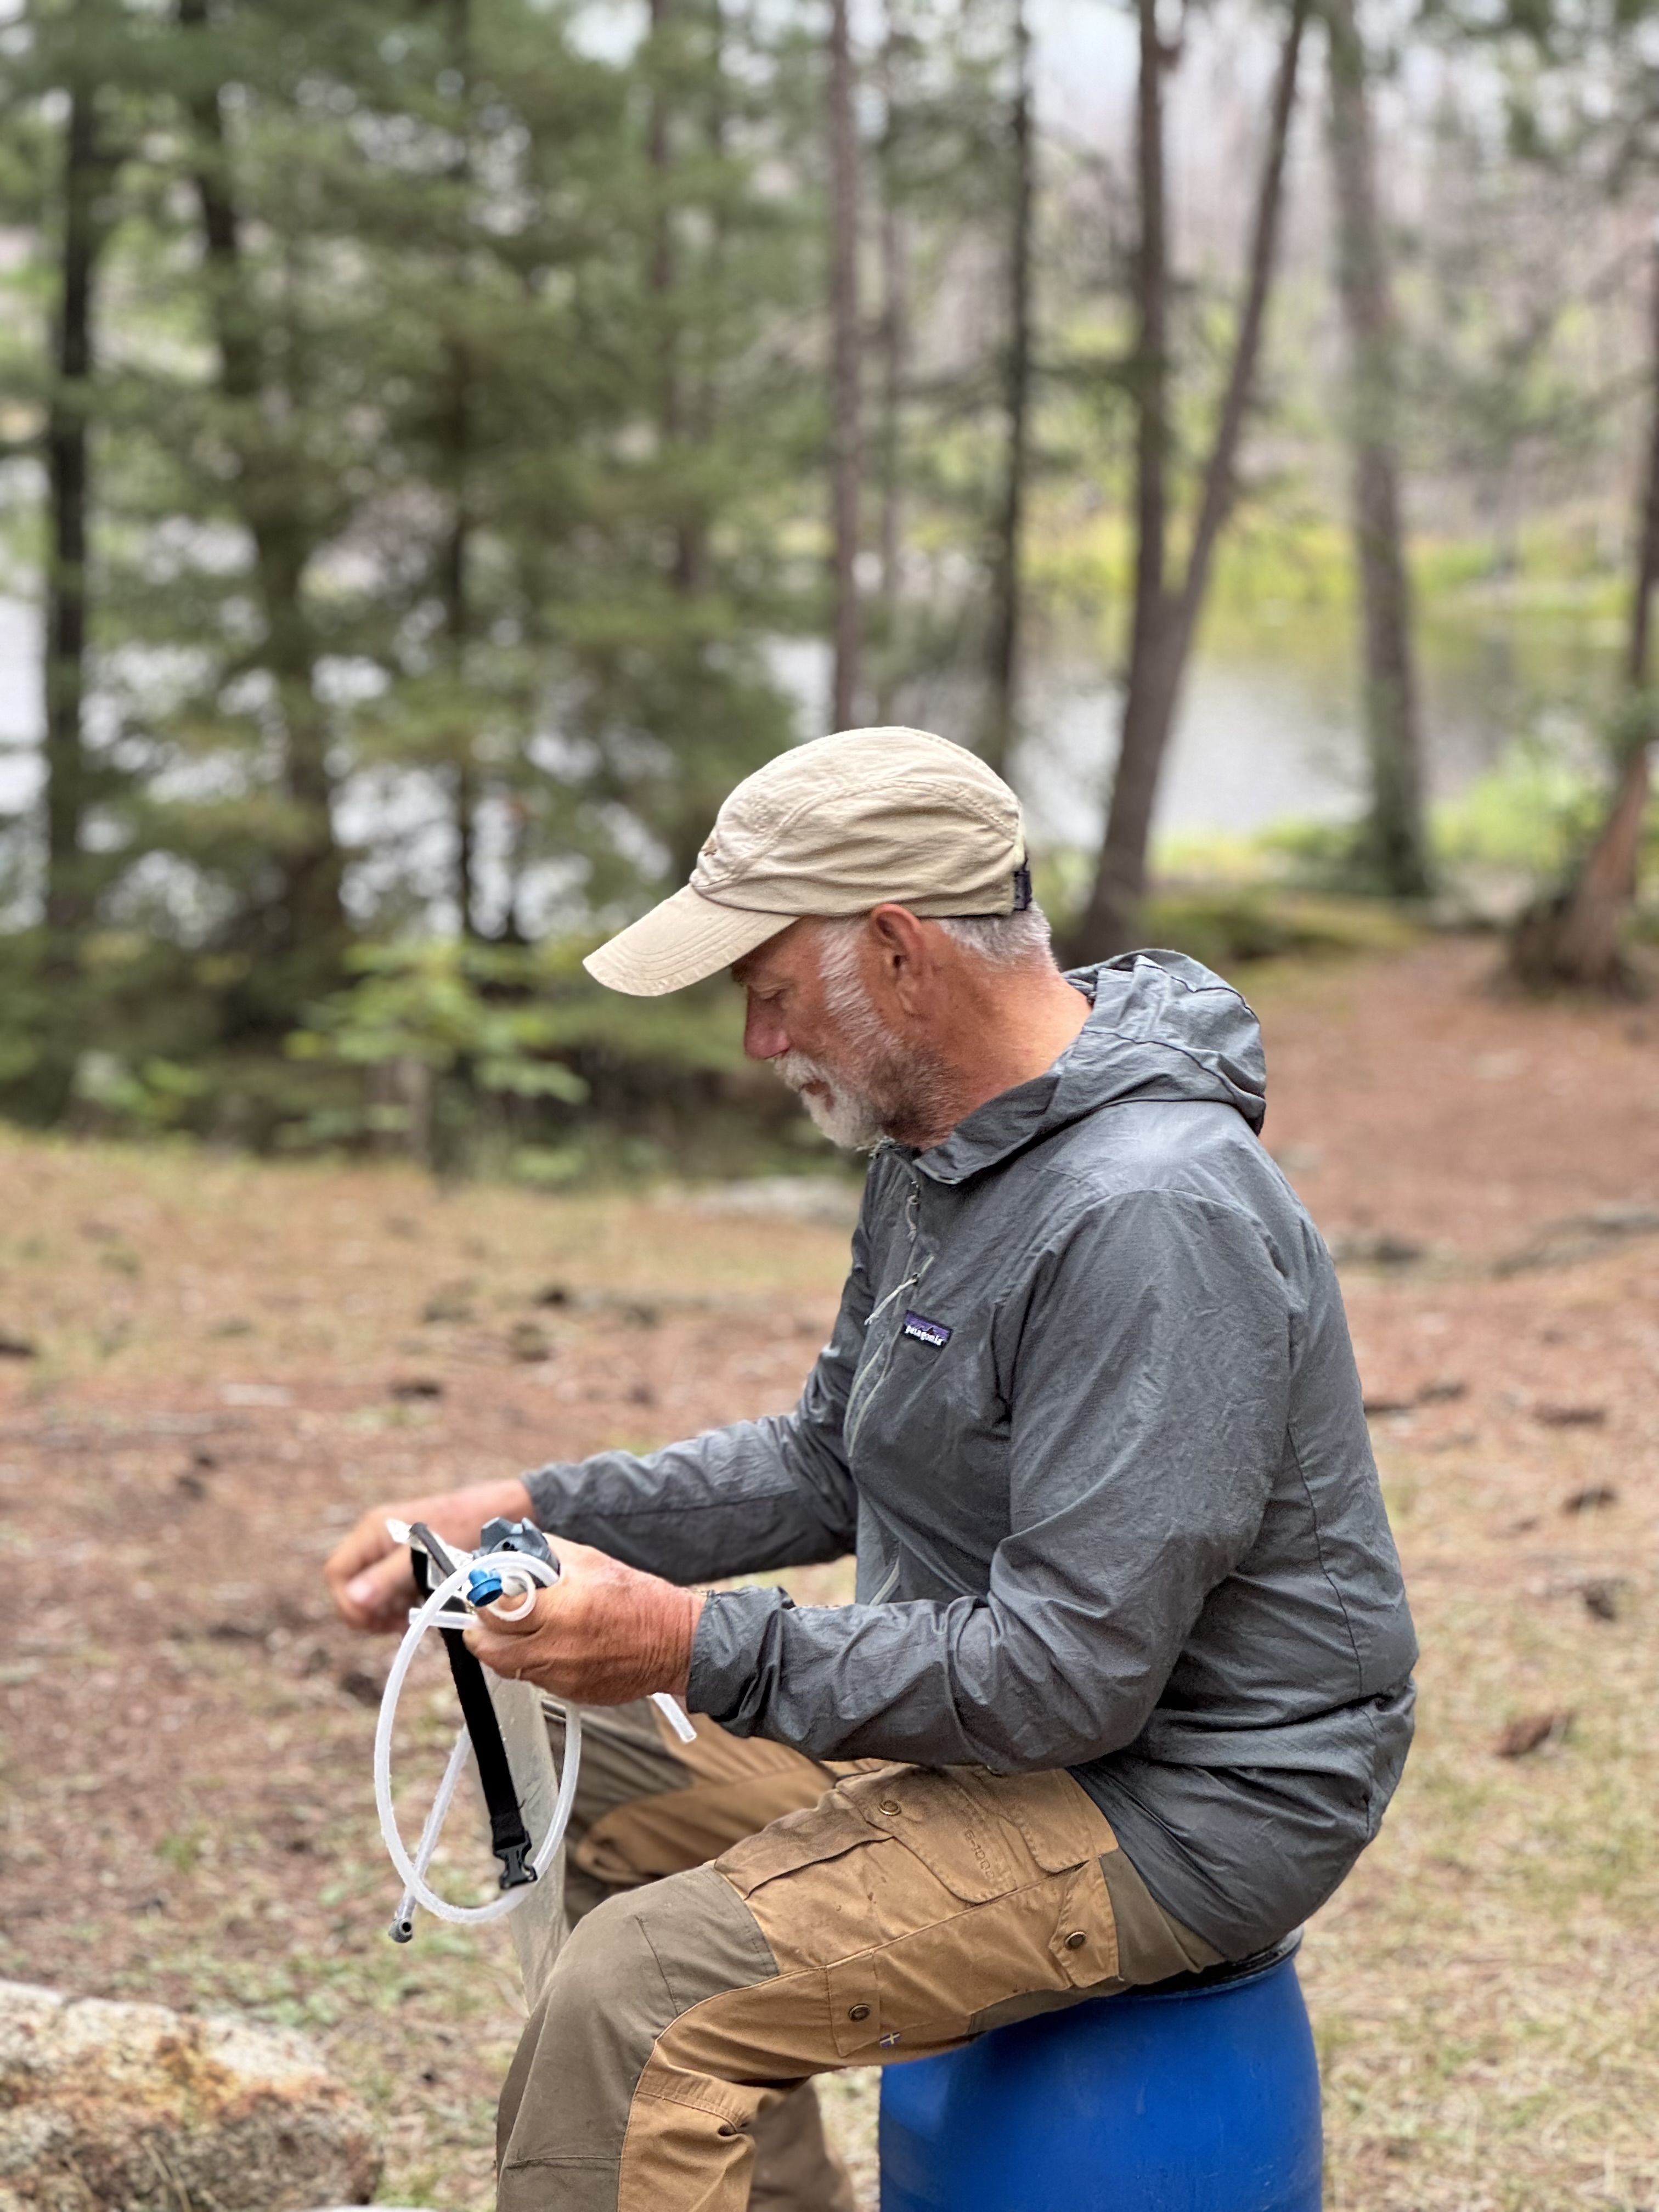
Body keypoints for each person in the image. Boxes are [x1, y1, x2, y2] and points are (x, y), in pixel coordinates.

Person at [326, 726, 1417, 2212]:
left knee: (640, 1998)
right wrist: (528, 1514)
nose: (755, 1042)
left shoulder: (1152, 1215)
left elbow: (1070, 1679)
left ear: (899, 952)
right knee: (596, 1769)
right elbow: (832, 1459)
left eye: (771, 990)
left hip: (1183, 1798)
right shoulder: (942, 1146)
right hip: (1017, 1734)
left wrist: (692, 1642)